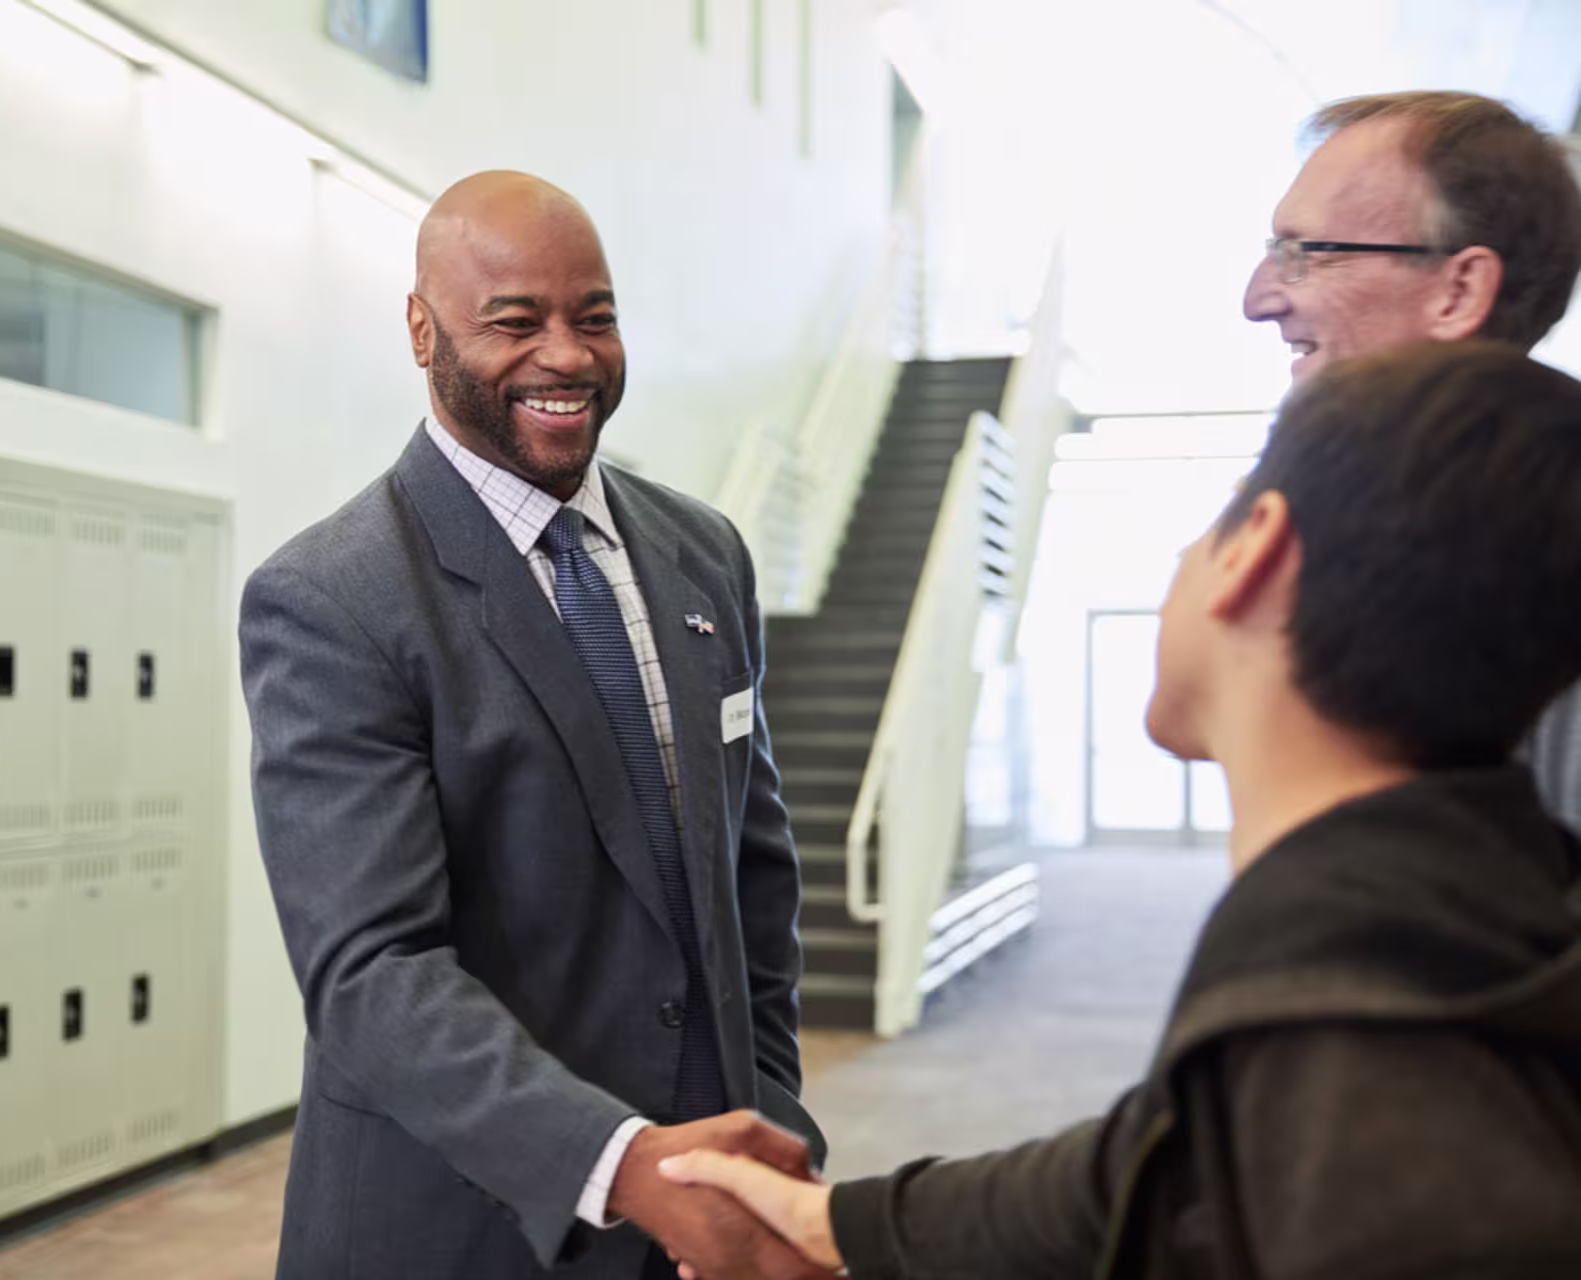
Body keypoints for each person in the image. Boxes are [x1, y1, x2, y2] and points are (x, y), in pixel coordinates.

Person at [657, 341, 1581, 1277]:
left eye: (1208, 523)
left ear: (1254, 549)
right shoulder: (1447, 921)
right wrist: (839, 1229)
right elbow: (1148, 1169)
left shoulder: (1357, 1054)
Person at [239, 170, 831, 1280]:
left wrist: (768, 1108)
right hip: (463, 1226)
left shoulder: (706, 554)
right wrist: (621, 1161)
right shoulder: (333, 598)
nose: (565, 355)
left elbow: (755, 870)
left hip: (702, 1204)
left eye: (593, 316)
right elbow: (374, 970)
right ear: (422, 329)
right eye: (514, 321)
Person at [1239, 90, 1581, 826]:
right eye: (1272, 254)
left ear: (1458, 291)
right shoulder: (1388, 536)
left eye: (1306, 254)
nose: (1259, 299)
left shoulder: (1544, 558)